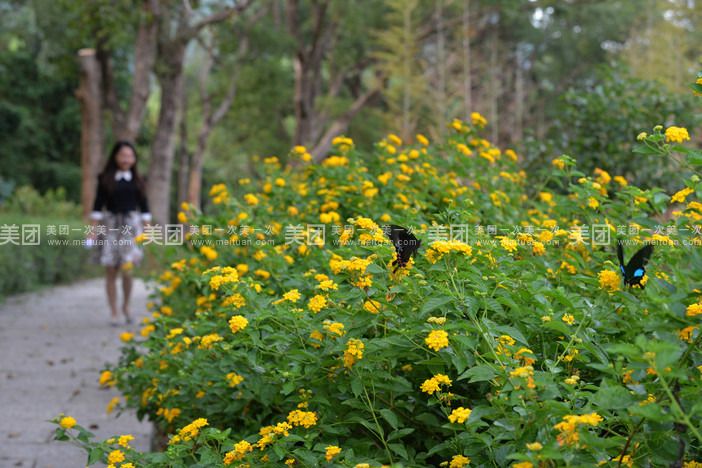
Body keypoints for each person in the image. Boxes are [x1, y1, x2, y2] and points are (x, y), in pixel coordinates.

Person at [87, 141, 151, 326]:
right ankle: (114, 311)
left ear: (134, 158)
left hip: (131, 227)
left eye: (130, 156)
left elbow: (145, 207)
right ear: (115, 156)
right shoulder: (105, 178)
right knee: (110, 270)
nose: (126, 159)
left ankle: (126, 306)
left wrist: (148, 229)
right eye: (123, 155)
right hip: (111, 226)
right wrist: (92, 229)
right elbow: (98, 206)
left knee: (128, 270)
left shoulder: (139, 180)